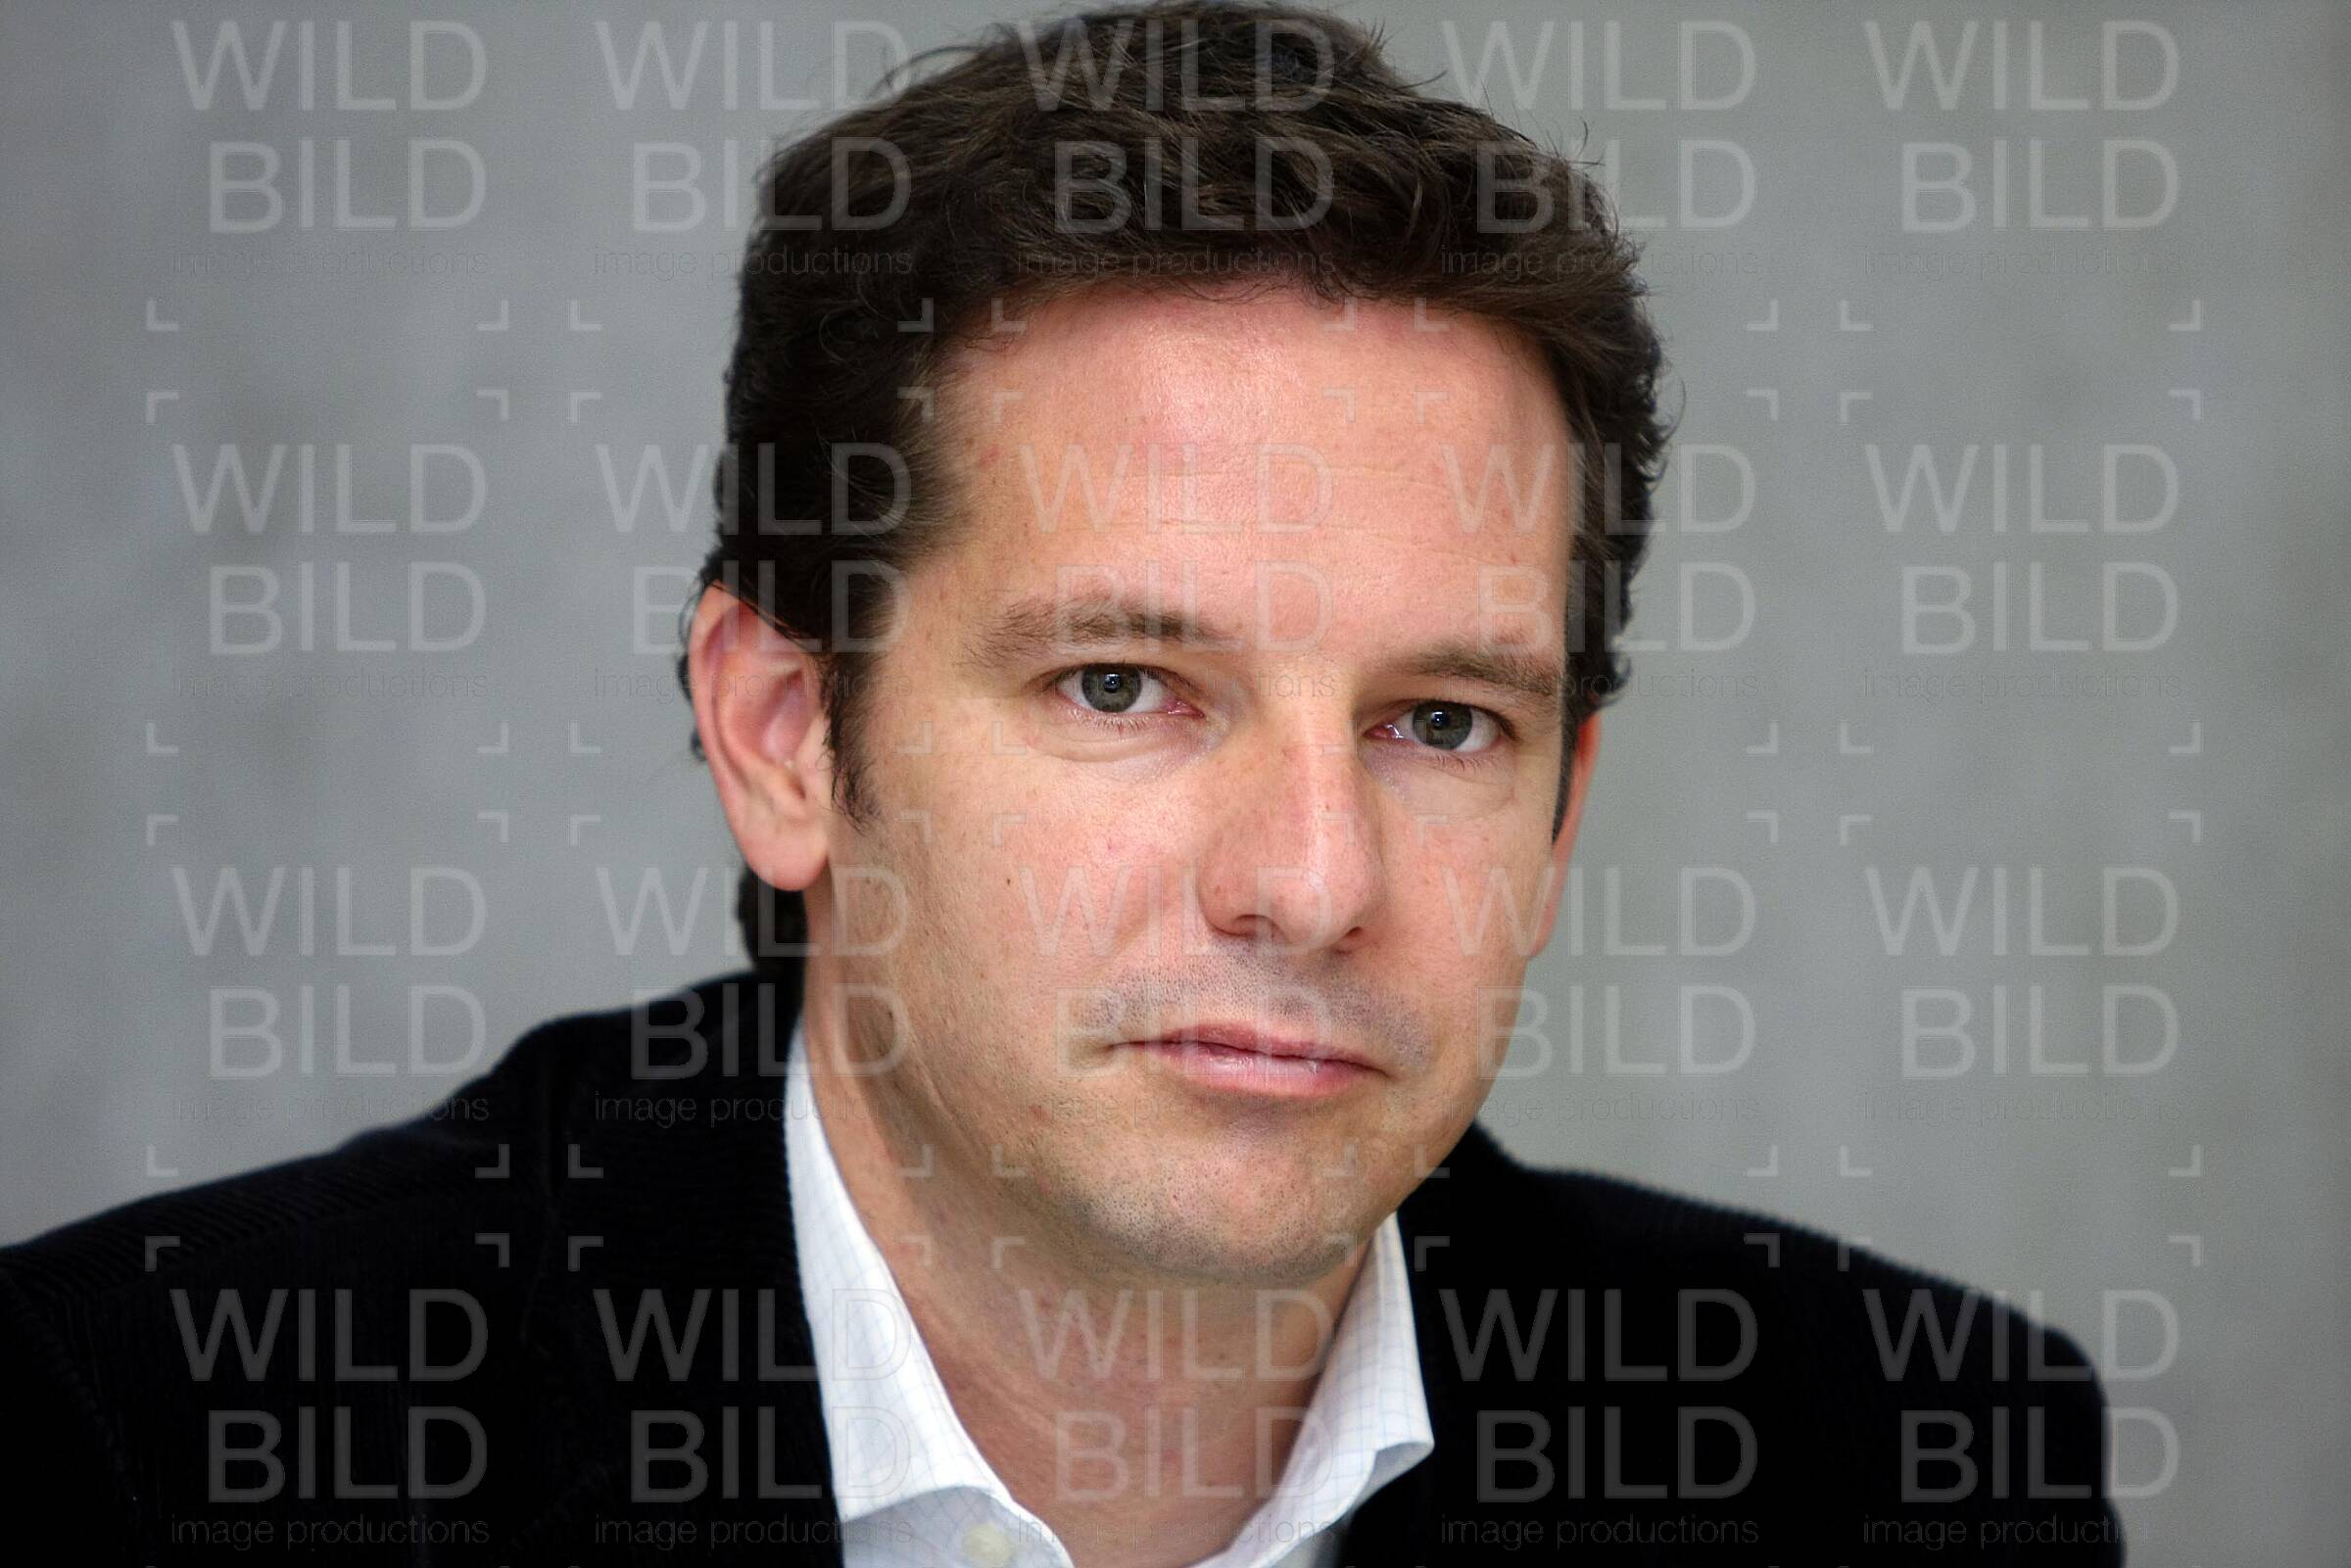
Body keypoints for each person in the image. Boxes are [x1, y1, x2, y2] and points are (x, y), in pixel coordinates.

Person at [0, 2, 2121, 1561]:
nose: (1312, 881)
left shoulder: (1899, 1468)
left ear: (1562, 813)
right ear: (786, 735)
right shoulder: (151, 1451)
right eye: (1127, 685)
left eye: (1440, 722)